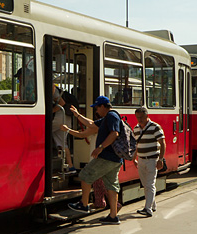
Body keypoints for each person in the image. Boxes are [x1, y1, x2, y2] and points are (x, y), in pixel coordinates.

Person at [65, 95, 123, 224]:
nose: (96, 111)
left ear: (103, 106)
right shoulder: (106, 118)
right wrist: (77, 115)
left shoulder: (112, 116)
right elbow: (90, 123)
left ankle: (84, 204)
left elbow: (115, 133)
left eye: (97, 108)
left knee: (85, 175)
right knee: (112, 186)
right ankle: (113, 216)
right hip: (115, 159)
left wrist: (100, 147)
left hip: (107, 157)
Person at [132, 107, 166, 217]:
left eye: (141, 117)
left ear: (147, 116)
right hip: (141, 160)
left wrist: (160, 159)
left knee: (150, 184)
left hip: (152, 159)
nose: (139, 120)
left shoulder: (155, 127)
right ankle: (152, 205)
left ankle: (147, 209)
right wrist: (134, 158)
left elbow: (162, 143)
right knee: (145, 184)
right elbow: (137, 145)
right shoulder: (136, 129)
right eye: (137, 117)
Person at [50, 87, 73, 172]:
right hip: (65, 118)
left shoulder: (52, 89)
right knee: (63, 142)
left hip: (58, 118)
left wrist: (50, 111)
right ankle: (70, 165)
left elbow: (62, 103)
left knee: (41, 132)